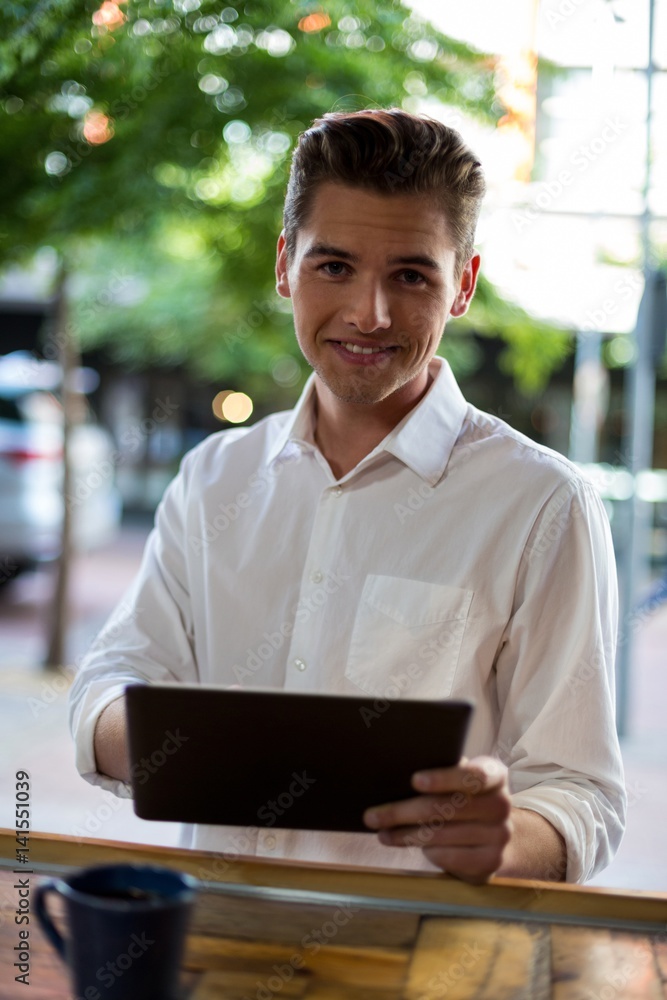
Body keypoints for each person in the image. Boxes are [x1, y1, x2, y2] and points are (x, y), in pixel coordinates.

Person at [69, 108, 625, 885]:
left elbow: (581, 794)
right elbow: (108, 683)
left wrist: (507, 841)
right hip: (212, 947)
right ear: (283, 266)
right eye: (333, 266)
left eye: (410, 274)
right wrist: (171, 741)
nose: (369, 313)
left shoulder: (542, 504)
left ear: (461, 284)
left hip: (417, 958)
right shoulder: (214, 477)